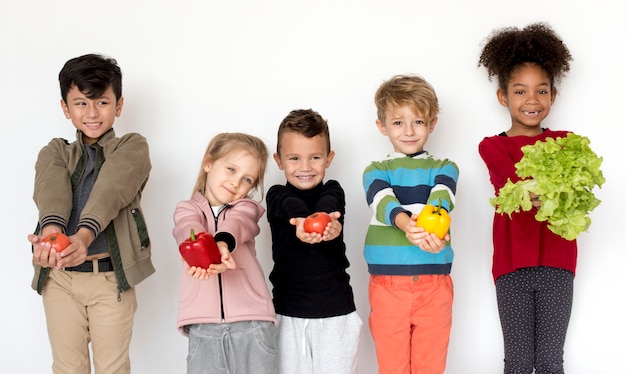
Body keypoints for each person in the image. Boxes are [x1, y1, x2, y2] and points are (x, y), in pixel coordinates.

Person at [27, 53, 154, 373]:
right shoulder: (55, 151)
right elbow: (51, 192)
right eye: (81, 103)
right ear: (65, 108)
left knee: (112, 368)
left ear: (119, 105)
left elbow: (111, 191)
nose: (92, 113)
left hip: (110, 279)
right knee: (67, 368)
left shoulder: (132, 146)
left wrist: (83, 236)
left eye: (102, 102)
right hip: (60, 281)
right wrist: (51, 233)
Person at [477, 22, 576, 373]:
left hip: (557, 264)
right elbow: (509, 185)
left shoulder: (566, 141)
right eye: (520, 92)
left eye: (541, 91)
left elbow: (571, 196)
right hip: (511, 266)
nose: (532, 100)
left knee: (550, 362)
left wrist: (548, 193)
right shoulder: (492, 146)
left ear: (553, 95)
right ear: (503, 96)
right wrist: (542, 191)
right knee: (518, 363)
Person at [363, 74, 459, 374]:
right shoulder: (376, 170)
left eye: (417, 122)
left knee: (430, 366)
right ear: (382, 126)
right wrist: (408, 226)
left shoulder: (444, 167)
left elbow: (443, 199)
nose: (408, 131)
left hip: (435, 286)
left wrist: (431, 230)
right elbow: (383, 203)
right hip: (387, 287)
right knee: (392, 367)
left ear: (431, 124)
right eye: (398, 122)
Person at [172, 132, 277, 374]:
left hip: (253, 324)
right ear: (208, 163)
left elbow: (239, 224)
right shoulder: (186, 208)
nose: (236, 183)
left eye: (247, 179)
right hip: (203, 327)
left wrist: (222, 244)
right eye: (231, 169)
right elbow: (186, 225)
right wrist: (199, 248)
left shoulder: (248, 207)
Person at [267, 109, 362, 374]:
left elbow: (330, 203)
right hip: (287, 313)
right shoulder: (276, 196)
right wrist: (300, 219)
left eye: (315, 157)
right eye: (294, 158)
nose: (305, 167)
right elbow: (288, 203)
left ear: (329, 158)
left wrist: (328, 223)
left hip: (336, 314)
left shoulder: (333, 191)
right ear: (278, 160)